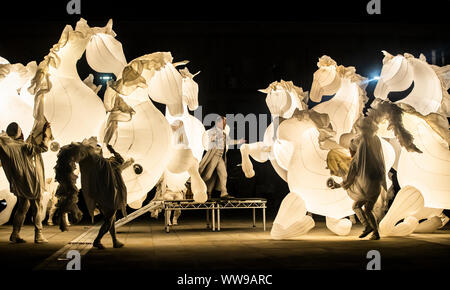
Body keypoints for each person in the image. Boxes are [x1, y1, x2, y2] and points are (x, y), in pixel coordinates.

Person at [327, 118, 386, 240]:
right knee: (362, 207)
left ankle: (373, 230)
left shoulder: (357, 161)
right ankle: (371, 229)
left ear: (354, 150)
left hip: (367, 189)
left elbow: (350, 179)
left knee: (363, 208)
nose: (349, 152)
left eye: (350, 150)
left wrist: (339, 185)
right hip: (375, 188)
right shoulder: (372, 160)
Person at [0, 121, 52, 243]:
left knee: (22, 207)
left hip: (20, 182)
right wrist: (45, 135)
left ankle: (15, 234)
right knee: (37, 207)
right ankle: (38, 235)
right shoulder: (24, 146)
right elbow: (43, 148)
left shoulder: (7, 146)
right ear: (19, 134)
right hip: (31, 181)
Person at [199, 116, 245, 199]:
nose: (225, 124)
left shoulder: (223, 133)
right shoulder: (213, 131)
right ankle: (197, 185)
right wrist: (215, 137)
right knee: (208, 175)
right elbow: (210, 138)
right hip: (213, 156)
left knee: (224, 174)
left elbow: (229, 141)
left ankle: (224, 193)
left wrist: (239, 141)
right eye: (224, 122)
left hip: (220, 157)